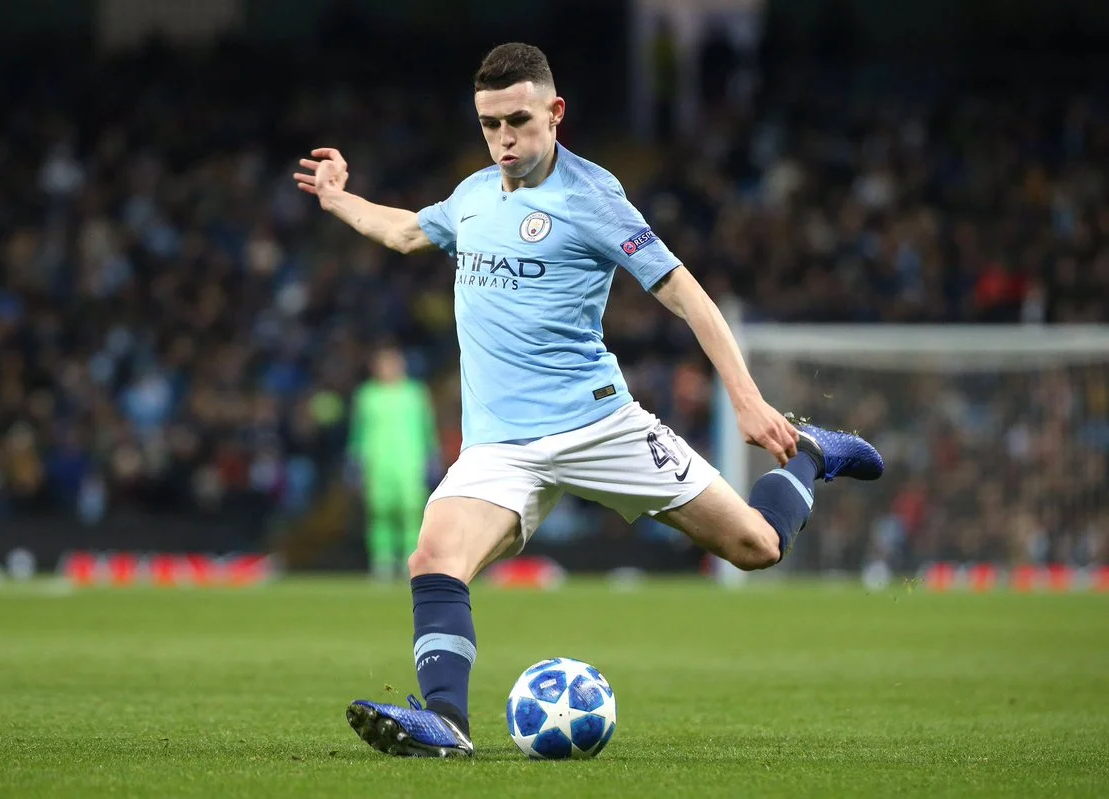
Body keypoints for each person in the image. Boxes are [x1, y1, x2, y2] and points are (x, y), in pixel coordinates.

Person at [293, 42, 883, 758]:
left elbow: (685, 293)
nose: (504, 139)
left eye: (518, 121)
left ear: (555, 112)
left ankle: (810, 454)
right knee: (433, 557)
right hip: (499, 446)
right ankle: (446, 721)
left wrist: (748, 400)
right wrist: (336, 197)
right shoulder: (473, 195)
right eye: (490, 125)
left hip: (598, 425)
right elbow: (407, 230)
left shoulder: (592, 196)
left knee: (756, 547)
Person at [348, 345, 439, 581]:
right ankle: (383, 562)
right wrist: (355, 460)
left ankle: (411, 559)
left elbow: (427, 429)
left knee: (411, 511)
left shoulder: (415, 393)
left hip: (410, 461)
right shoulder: (367, 395)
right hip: (377, 463)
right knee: (380, 512)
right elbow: (358, 432)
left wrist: (432, 456)